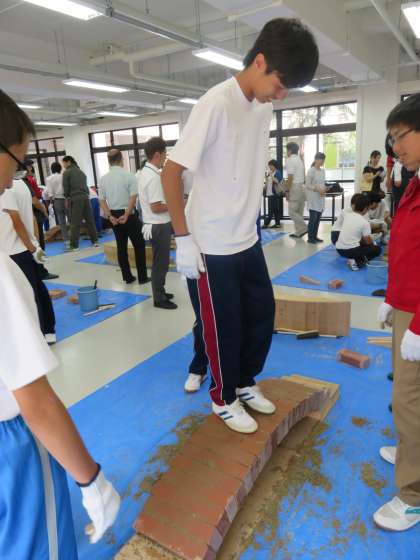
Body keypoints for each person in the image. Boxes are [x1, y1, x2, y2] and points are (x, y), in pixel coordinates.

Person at [161, 18, 319, 433]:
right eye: (280, 85)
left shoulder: (263, 108)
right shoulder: (216, 103)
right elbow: (171, 173)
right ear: (260, 61)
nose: (281, 96)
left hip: (246, 239)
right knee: (223, 328)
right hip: (211, 245)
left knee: (261, 316)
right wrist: (183, 239)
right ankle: (223, 397)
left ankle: (245, 381)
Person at [0, 89, 120, 559]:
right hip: (9, 447)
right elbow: (34, 400)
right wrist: (91, 480)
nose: (14, 178)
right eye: (17, 162)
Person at [375, 93, 420, 532]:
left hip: (419, 314)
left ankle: (413, 495)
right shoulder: (415, 182)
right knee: (406, 397)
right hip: (406, 305)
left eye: (401, 136)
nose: (396, 147)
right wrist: (392, 296)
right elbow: (407, 248)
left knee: (409, 400)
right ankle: (412, 452)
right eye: (392, 139)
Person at [0, 178, 57, 344]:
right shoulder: (22, 184)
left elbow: (16, 221)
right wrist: (35, 243)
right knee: (38, 289)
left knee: (28, 295)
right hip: (24, 247)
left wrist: (32, 247)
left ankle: (39, 334)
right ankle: (48, 330)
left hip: (16, 250)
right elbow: (30, 216)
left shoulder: (5, 188)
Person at [99, 149, 149, 285]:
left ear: (109, 161)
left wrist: (109, 216)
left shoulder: (103, 179)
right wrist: (127, 214)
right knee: (139, 245)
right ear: (121, 159)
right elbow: (133, 197)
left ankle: (127, 277)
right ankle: (142, 277)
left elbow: (102, 200)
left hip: (114, 216)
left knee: (121, 247)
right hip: (129, 214)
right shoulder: (129, 176)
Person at [138, 137, 176, 309]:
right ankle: (159, 298)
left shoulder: (147, 172)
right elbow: (156, 207)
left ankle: (160, 291)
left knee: (160, 262)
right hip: (158, 225)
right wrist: (175, 203)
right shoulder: (152, 177)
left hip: (156, 224)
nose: (166, 157)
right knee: (161, 264)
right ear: (157, 154)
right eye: (165, 154)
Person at [335, 193, 380, 270]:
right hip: (351, 251)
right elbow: (367, 241)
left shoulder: (347, 215)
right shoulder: (364, 222)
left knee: (362, 244)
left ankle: (355, 259)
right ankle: (356, 262)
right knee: (377, 249)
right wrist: (373, 241)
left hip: (339, 249)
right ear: (365, 208)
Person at [62, 155, 98, 251]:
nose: (63, 165)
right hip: (86, 197)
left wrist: (66, 198)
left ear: (68, 162)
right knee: (90, 220)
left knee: (75, 222)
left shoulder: (67, 172)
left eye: (64, 163)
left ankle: (74, 245)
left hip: (76, 198)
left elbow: (66, 187)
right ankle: (95, 241)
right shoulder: (81, 172)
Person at [284, 142, 307, 238]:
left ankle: (304, 227)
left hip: (295, 187)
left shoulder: (290, 160)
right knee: (299, 211)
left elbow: (290, 177)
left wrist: (287, 191)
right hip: (302, 186)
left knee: (292, 212)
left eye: (286, 150)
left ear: (289, 150)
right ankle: (299, 231)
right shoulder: (299, 160)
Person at [46, 161, 69, 247]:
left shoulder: (49, 179)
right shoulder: (63, 176)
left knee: (61, 221)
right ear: (60, 168)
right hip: (66, 199)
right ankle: (74, 237)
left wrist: (52, 203)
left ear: (51, 169)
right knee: (71, 219)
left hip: (57, 201)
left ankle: (66, 240)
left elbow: (50, 193)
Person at [306, 152, 326, 244]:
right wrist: (317, 189)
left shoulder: (322, 171)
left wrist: (325, 189)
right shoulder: (311, 171)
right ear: (316, 160)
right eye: (321, 159)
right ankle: (310, 238)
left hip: (320, 197)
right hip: (313, 197)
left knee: (317, 219)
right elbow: (308, 185)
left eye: (323, 160)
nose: (322, 161)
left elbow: (322, 183)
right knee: (313, 219)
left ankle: (315, 236)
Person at [263, 159, 282, 228]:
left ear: (274, 166)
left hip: (274, 194)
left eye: (271, 165)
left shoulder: (277, 172)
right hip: (269, 193)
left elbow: (277, 181)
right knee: (275, 209)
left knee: (271, 210)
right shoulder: (269, 173)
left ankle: (266, 224)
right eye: (269, 165)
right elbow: (267, 182)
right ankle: (277, 223)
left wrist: (271, 175)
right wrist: (266, 178)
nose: (270, 167)